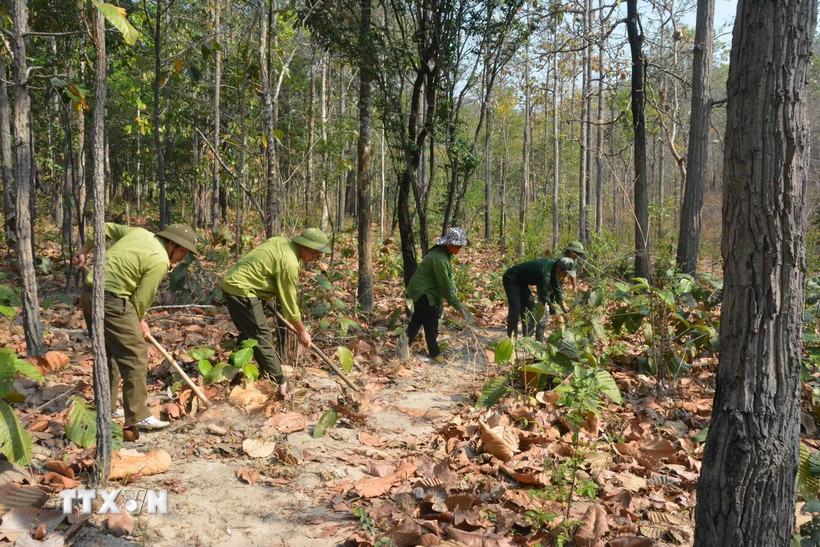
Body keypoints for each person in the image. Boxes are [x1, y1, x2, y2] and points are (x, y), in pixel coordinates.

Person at [74, 222, 198, 431]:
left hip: (89, 292)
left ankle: (106, 408)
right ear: (171, 244)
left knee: (108, 352)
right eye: (182, 252)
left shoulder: (139, 232)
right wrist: (139, 319)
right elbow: (142, 298)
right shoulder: (159, 260)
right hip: (112, 300)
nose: (181, 258)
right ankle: (138, 415)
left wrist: (84, 250)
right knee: (136, 355)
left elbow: (102, 227)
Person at [219, 228, 330, 399]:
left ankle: (226, 376)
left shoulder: (280, 241)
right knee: (262, 337)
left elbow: (262, 267)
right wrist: (302, 331)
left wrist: (262, 295)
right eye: (315, 252)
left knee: (250, 335)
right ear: (305, 246)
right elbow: (289, 304)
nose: (316, 257)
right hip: (242, 291)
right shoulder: (290, 263)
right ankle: (280, 383)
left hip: (233, 285)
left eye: (319, 254)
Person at [405, 227, 473, 364]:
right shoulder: (440, 259)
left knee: (418, 319)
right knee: (431, 323)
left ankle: (404, 344)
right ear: (449, 244)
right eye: (457, 246)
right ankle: (434, 353)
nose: (459, 249)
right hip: (424, 292)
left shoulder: (443, 255)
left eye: (460, 246)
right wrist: (457, 306)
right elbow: (445, 285)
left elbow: (449, 280)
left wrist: (454, 294)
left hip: (422, 291)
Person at [502, 256, 575, 338]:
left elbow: (556, 285)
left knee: (530, 308)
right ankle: (512, 337)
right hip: (511, 278)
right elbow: (543, 295)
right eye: (565, 273)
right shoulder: (544, 272)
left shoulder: (553, 268)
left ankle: (528, 337)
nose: (565, 276)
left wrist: (562, 304)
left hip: (522, 282)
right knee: (515, 307)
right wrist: (554, 313)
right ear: (559, 268)